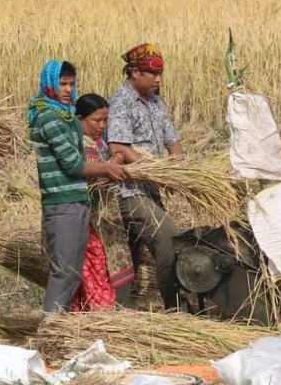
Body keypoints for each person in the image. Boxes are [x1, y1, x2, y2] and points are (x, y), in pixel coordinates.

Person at [29, 60, 126, 314]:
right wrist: (108, 169)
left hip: (76, 199)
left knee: (73, 271)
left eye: (71, 84)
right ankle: (50, 329)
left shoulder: (66, 115)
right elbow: (73, 164)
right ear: (50, 84)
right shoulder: (48, 118)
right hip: (62, 203)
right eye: (62, 83)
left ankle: (62, 328)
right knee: (65, 271)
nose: (68, 89)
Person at [106, 43, 185, 310]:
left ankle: (123, 310)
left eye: (161, 73)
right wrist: (157, 168)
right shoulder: (121, 102)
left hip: (151, 189)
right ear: (134, 73)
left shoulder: (155, 101)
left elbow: (172, 140)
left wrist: (177, 164)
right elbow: (118, 148)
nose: (159, 79)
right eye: (153, 74)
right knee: (167, 237)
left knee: (132, 252)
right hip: (129, 191)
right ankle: (174, 307)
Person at [70, 93, 134, 312]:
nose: (102, 126)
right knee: (93, 272)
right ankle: (100, 320)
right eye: (96, 120)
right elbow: (93, 176)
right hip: (88, 224)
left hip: (97, 223)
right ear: (80, 119)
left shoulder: (94, 144)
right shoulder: (79, 144)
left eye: (105, 121)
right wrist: (114, 164)